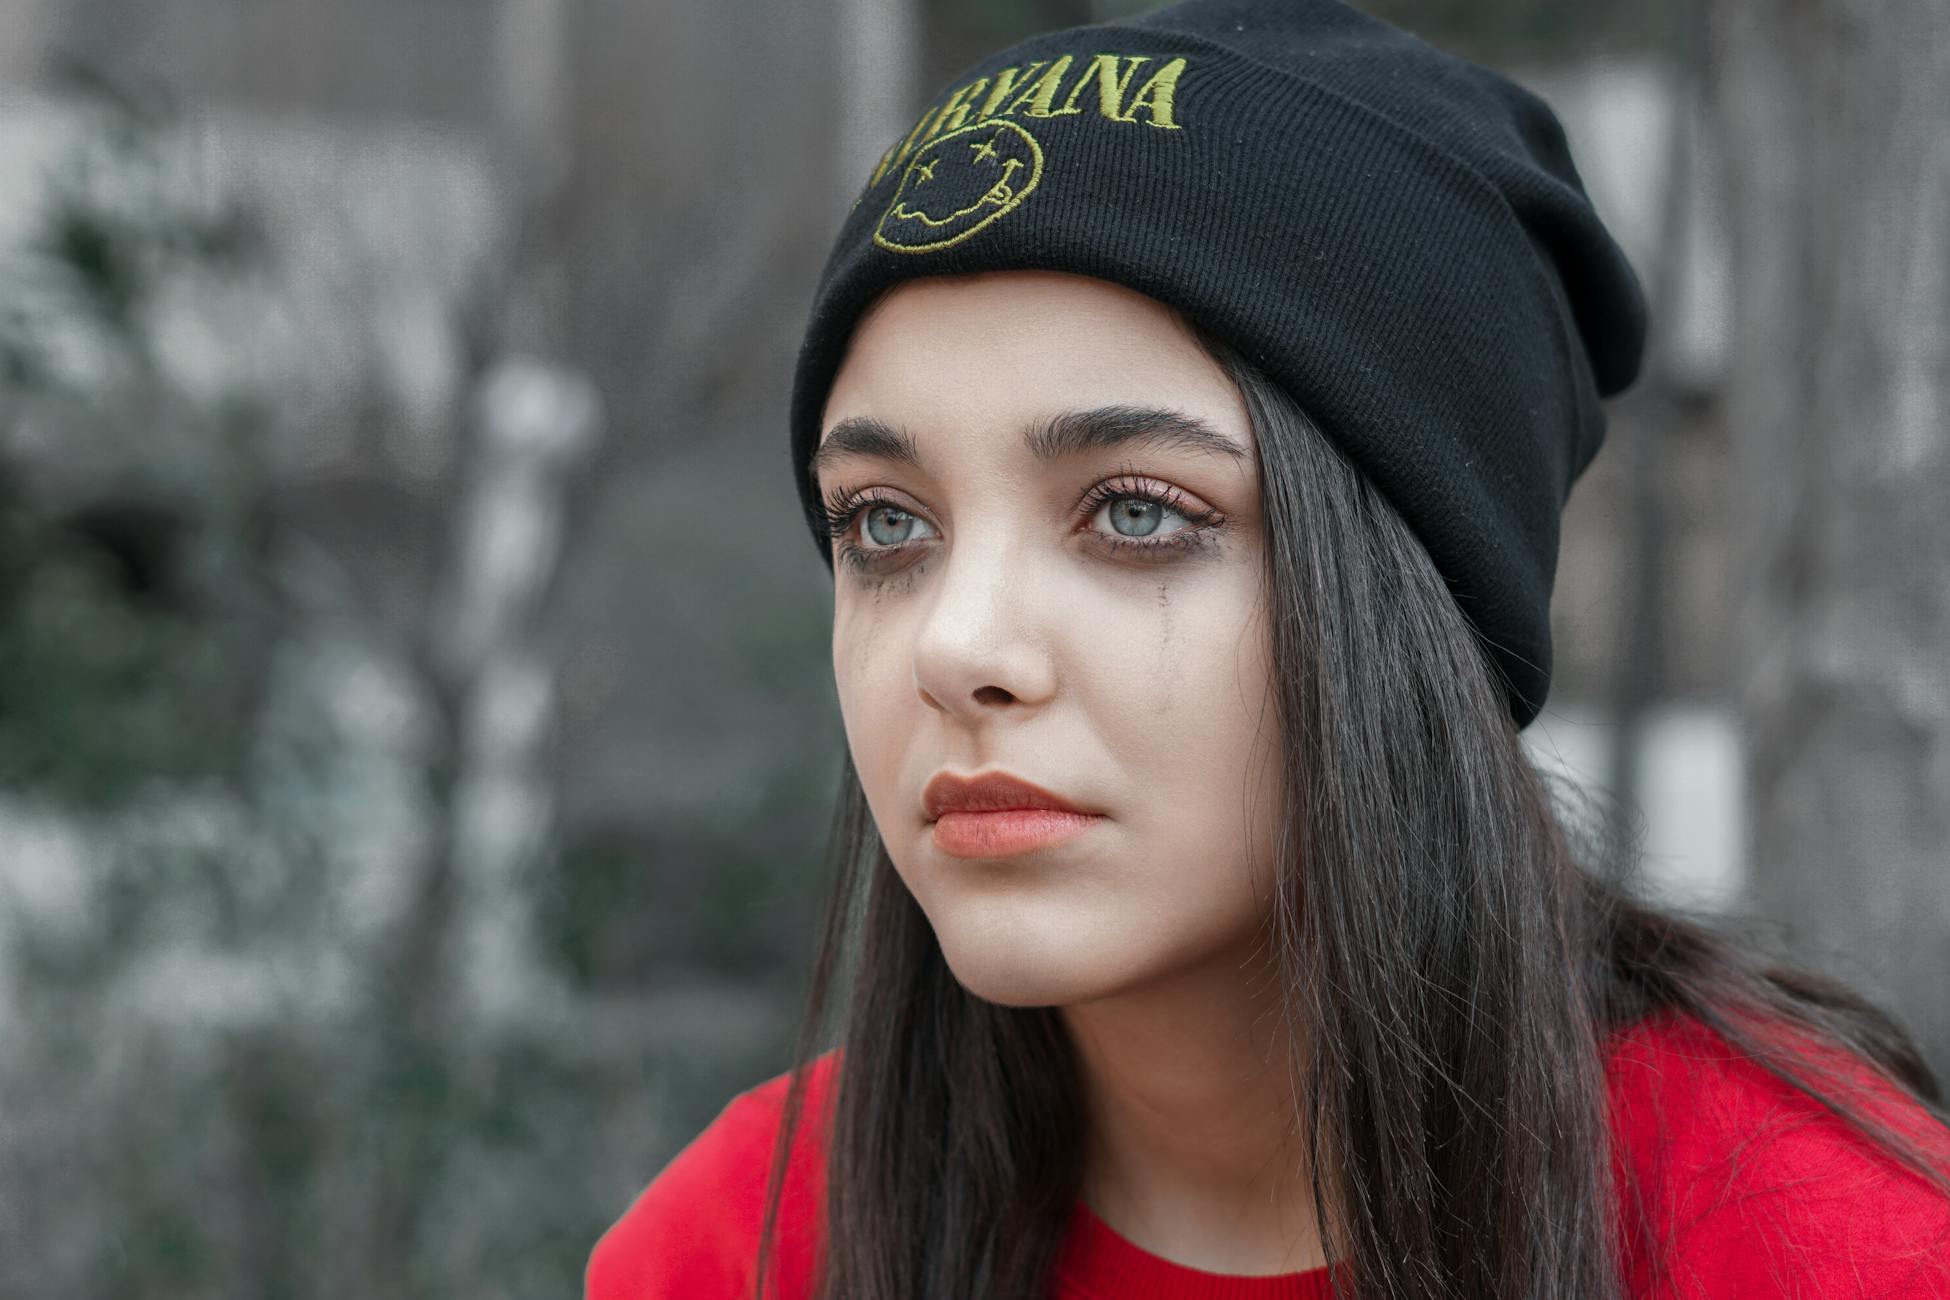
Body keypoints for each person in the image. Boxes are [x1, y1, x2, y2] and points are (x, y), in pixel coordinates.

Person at [587, 2, 1950, 1296]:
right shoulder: (740, 1248)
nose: (957, 647)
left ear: (1415, 596)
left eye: (1133, 512)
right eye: (885, 525)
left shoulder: (1822, 1249)